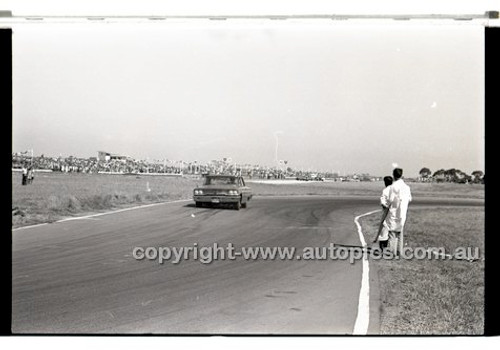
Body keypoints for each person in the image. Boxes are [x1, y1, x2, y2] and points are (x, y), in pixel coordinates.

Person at [381, 168, 412, 256]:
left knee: (392, 233)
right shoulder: (407, 187)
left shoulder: (393, 187)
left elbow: (390, 200)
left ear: (394, 175)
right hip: (403, 212)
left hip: (394, 212)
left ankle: (392, 252)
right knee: (400, 232)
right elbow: (410, 198)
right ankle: (400, 251)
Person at [376, 176, 393, 250]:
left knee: (383, 232)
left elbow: (383, 203)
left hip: (387, 212)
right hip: (394, 213)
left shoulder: (385, 190)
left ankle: (383, 249)